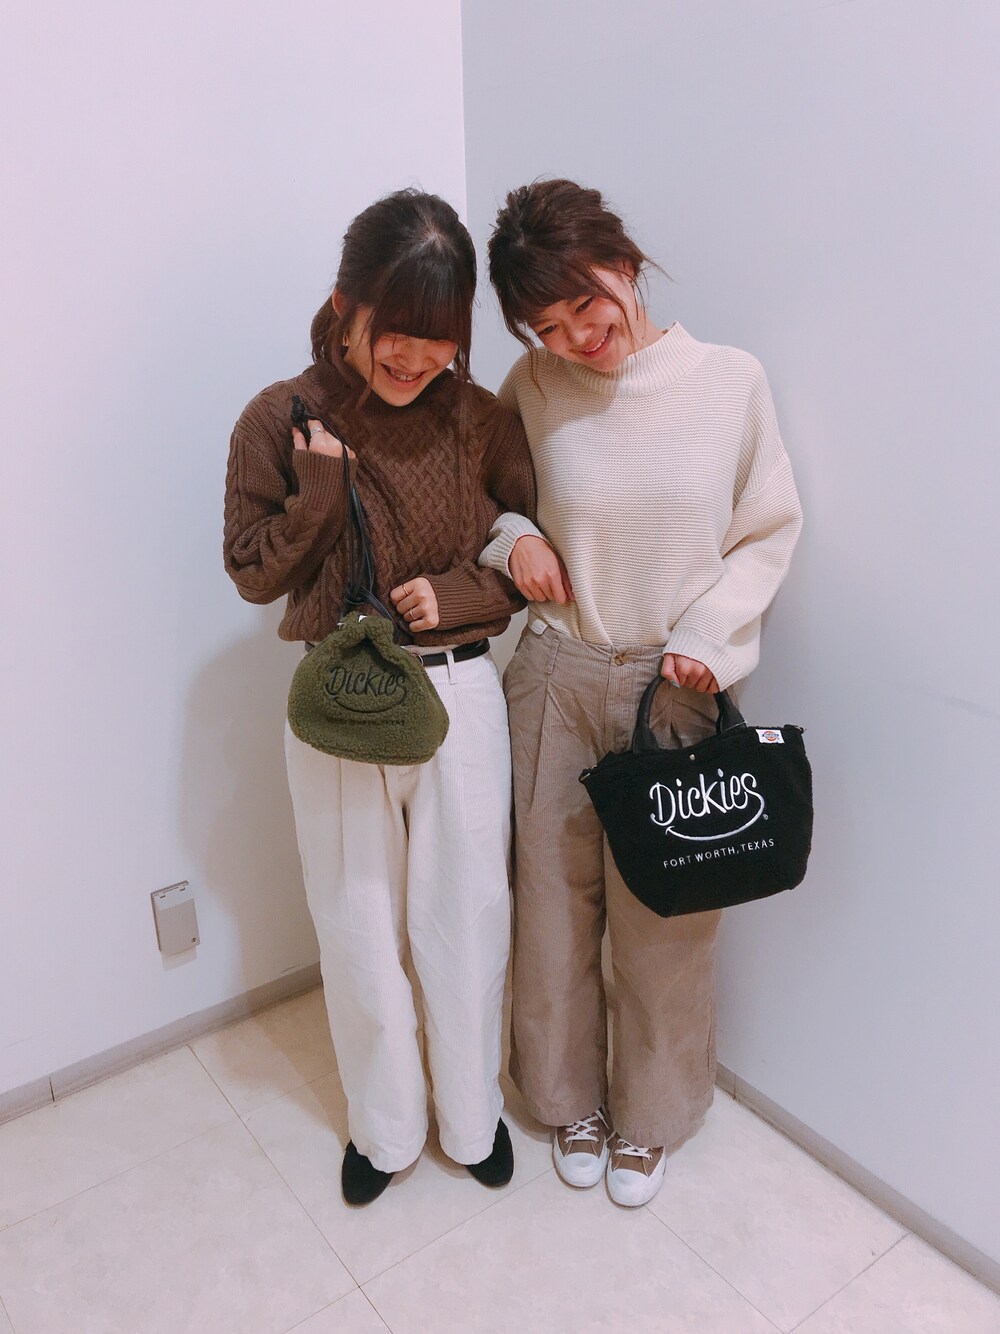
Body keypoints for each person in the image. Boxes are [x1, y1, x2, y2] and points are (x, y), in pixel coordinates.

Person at [479, 178, 802, 1207]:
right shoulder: (531, 385)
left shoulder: (729, 381)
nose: (577, 338)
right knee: (549, 906)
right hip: (556, 672)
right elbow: (482, 496)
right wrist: (514, 538)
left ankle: (652, 1117)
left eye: (586, 304)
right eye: (548, 324)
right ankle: (564, 1096)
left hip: (674, 684)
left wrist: (709, 638)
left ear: (624, 263)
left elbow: (767, 527)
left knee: (667, 917)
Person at [224, 189, 536, 1207]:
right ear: (343, 305)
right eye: (396, 330)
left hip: (458, 693)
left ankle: (472, 1117)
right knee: (357, 924)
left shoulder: (481, 419)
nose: (416, 357)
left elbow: (530, 547)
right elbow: (252, 573)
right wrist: (318, 495)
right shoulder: (279, 416)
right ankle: (386, 1128)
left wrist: (463, 595)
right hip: (339, 704)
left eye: (440, 337)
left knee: (469, 916)